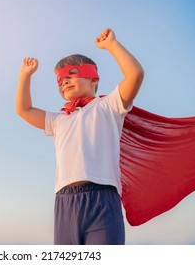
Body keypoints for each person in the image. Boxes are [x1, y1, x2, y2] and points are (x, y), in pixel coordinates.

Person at [15, 28, 144, 245]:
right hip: (65, 201)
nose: (64, 81)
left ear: (93, 79)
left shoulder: (108, 106)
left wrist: (111, 45)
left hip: (102, 198)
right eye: (59, 80)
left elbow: (135, 74)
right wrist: (24, 76)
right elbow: (24, 110)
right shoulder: (59, 119)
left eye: (71, 74)